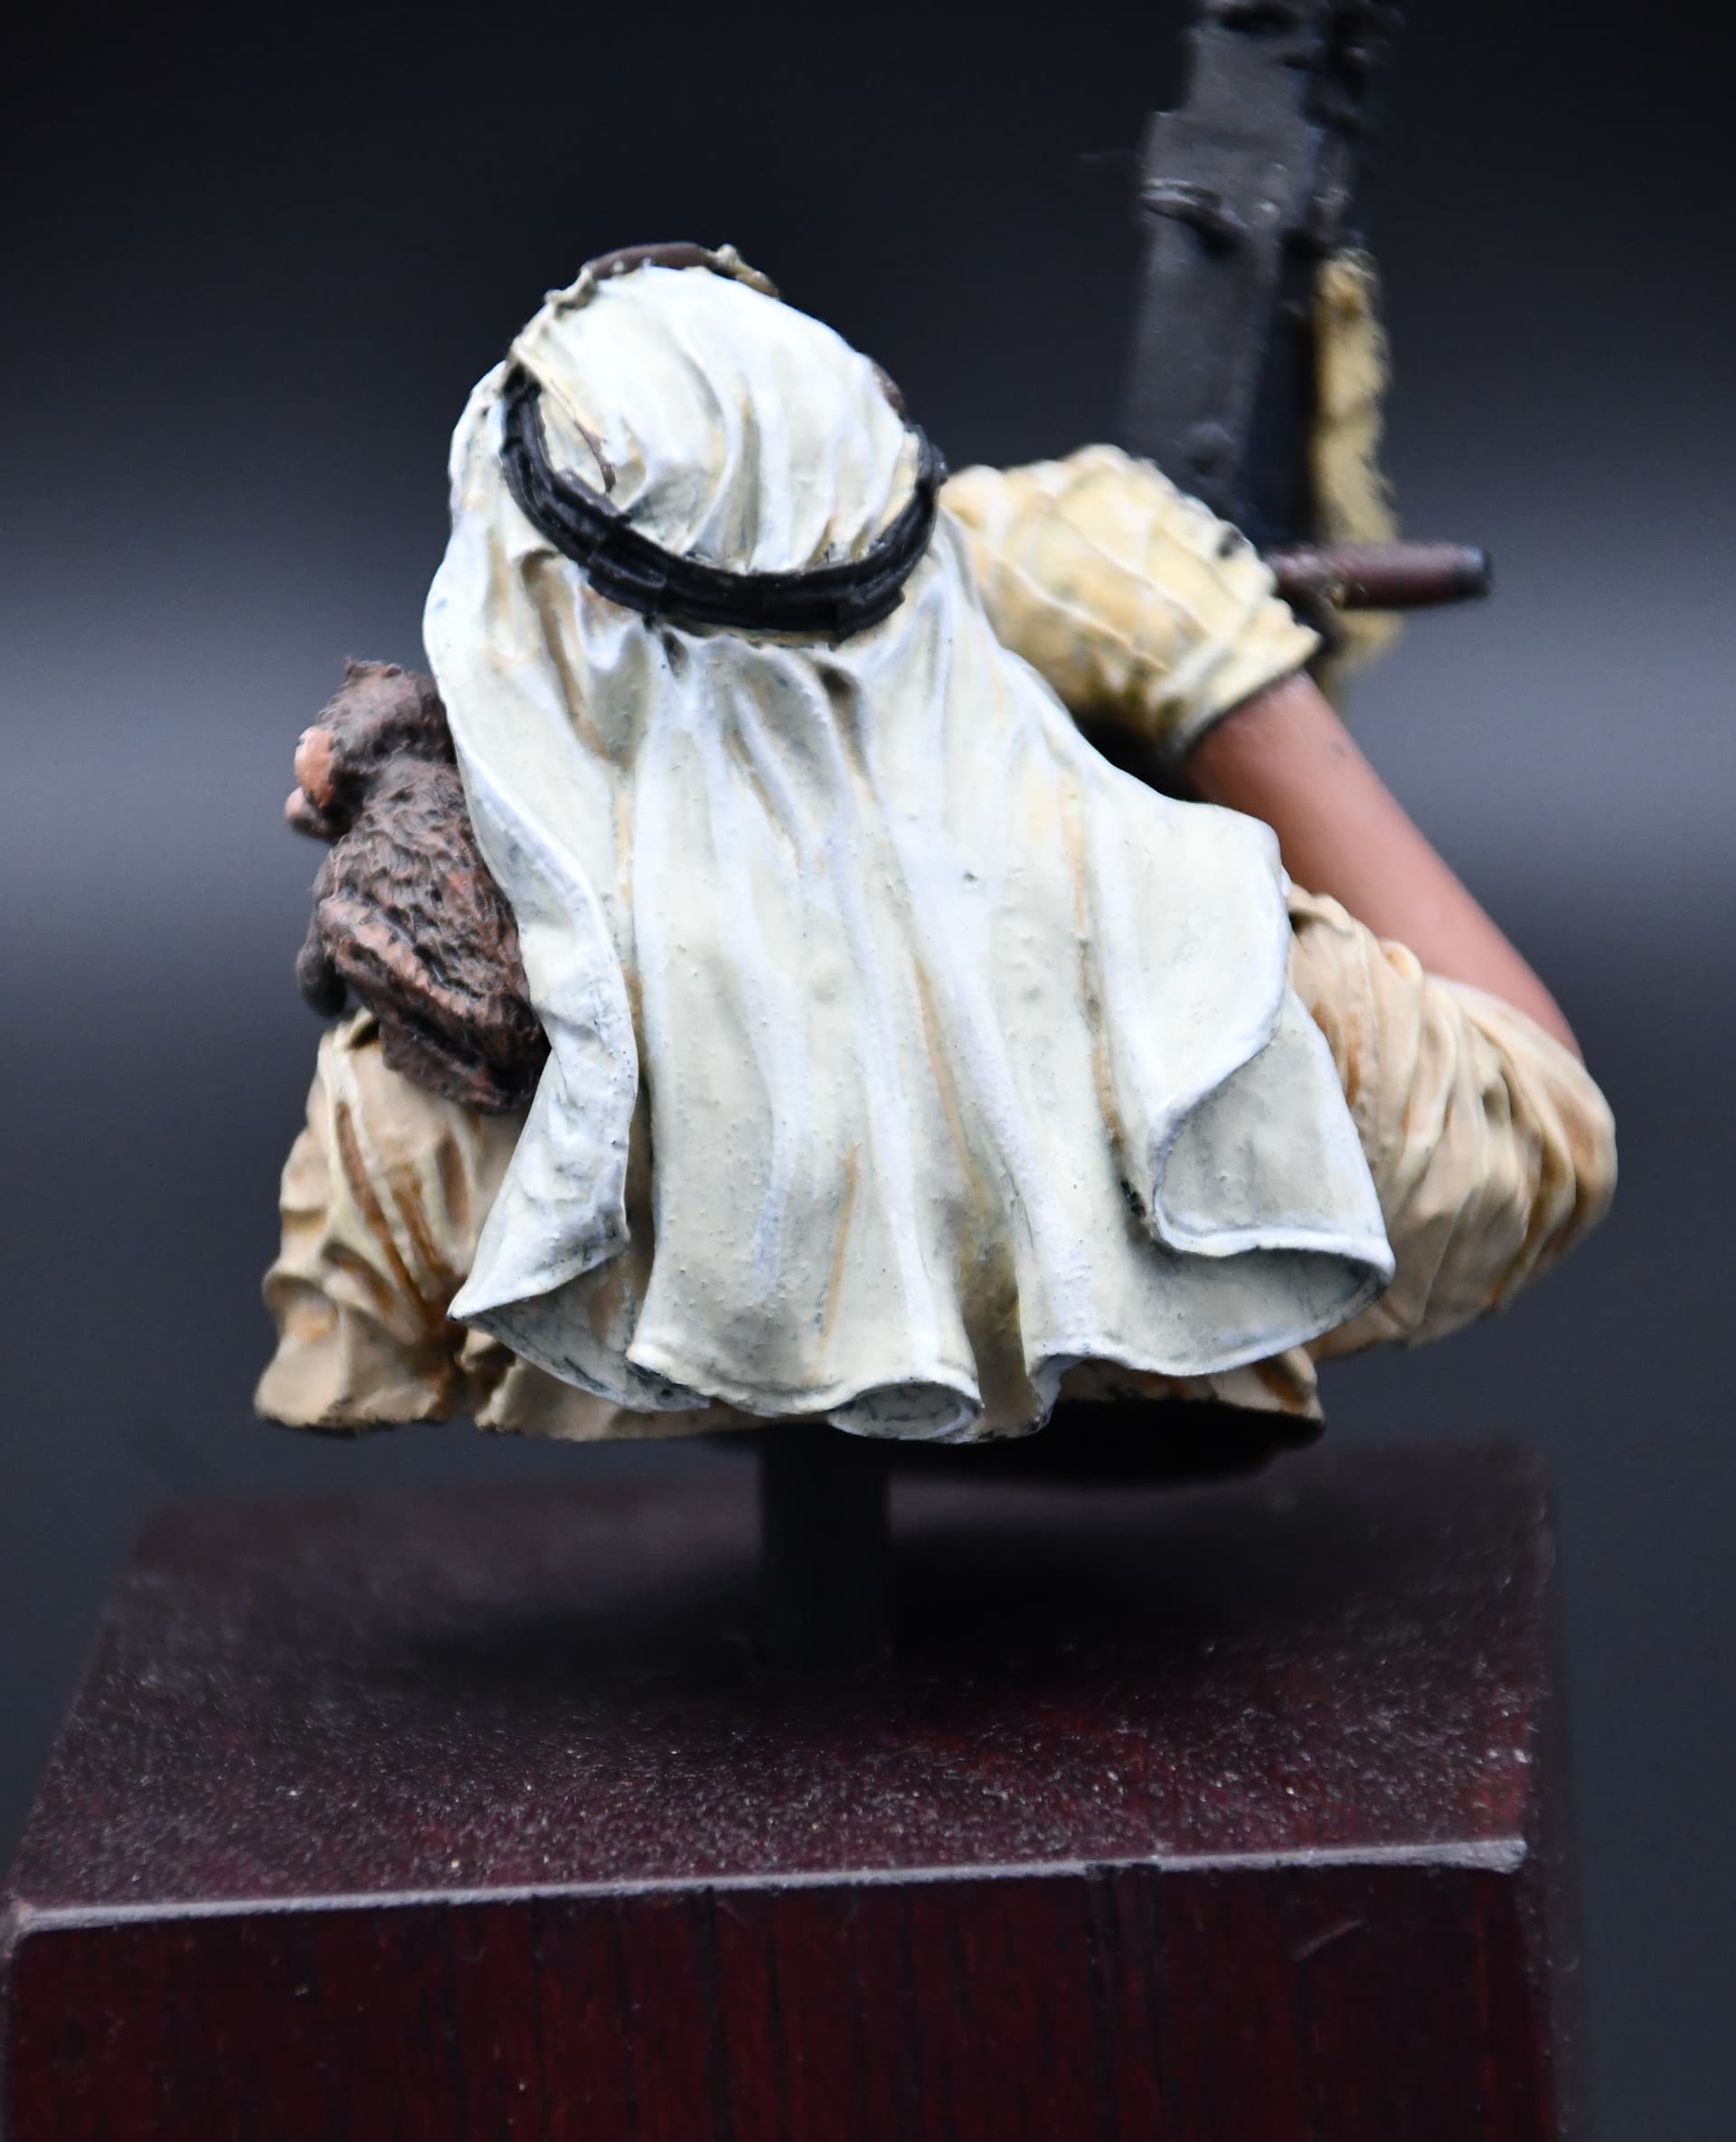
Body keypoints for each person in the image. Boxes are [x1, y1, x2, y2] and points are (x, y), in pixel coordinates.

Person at [259, 245, 1613, 1464]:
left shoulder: (405, 1114)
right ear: (919, 558)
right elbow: (1542, 1127)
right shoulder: (1241, 1016)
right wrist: (1214, 668)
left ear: (509, 607)